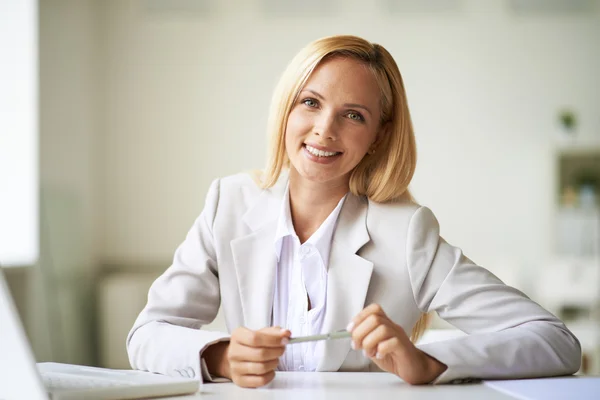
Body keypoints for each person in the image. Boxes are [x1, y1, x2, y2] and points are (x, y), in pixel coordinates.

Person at [126, 34, 581, 388]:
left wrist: (427, 363)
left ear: (379, 136)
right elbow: (146, 336)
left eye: (354, 115)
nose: (324, 130)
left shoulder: (406, 233)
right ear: (287, 109)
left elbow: (556, 342)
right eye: (311, 103)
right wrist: (219, 357)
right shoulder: (228, 203)